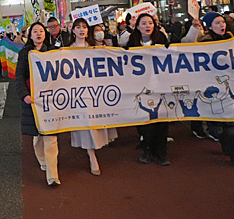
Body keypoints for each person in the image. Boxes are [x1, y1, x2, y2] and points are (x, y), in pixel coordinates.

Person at [199, 11, 234, 169]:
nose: (221, 25)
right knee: (226, 125)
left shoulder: (231, 40)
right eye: (217, 23)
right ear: (209, 27)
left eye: (222, 22)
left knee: (231, 125)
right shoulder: (203, 43)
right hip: (214, 89)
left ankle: (233, 152)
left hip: (232, 87)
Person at [68, 18, 118, 175]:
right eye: (78, 27)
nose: (81, 30)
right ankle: (92, 156)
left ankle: (95, 149)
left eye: (84, 27)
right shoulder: (67, 50)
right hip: (79, 92)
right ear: (73, 30)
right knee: (86, 124)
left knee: (96, 121)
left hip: (96, 90)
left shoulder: (95, 48)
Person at [14, 22, 60, 186]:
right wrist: (24, 95)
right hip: (33, 99)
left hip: (51, 99)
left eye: (41, 31)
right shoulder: (24, 53)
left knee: (50, 135)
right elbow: (19, 76)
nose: (39, 34)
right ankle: (42, 159)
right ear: (30, 35)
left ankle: (52, 175)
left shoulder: (53, 52)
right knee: (38, 136)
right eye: (35, 31)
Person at [126, 13, 171, 166]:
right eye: (144, 23)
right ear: (137, 26)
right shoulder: (132, 42)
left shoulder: (161, 39)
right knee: (145, 121)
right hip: (141, 87)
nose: (147, 26)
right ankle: (146, 149)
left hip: (160, 86)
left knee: (162, 120)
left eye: (150, 23)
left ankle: (161, 154)